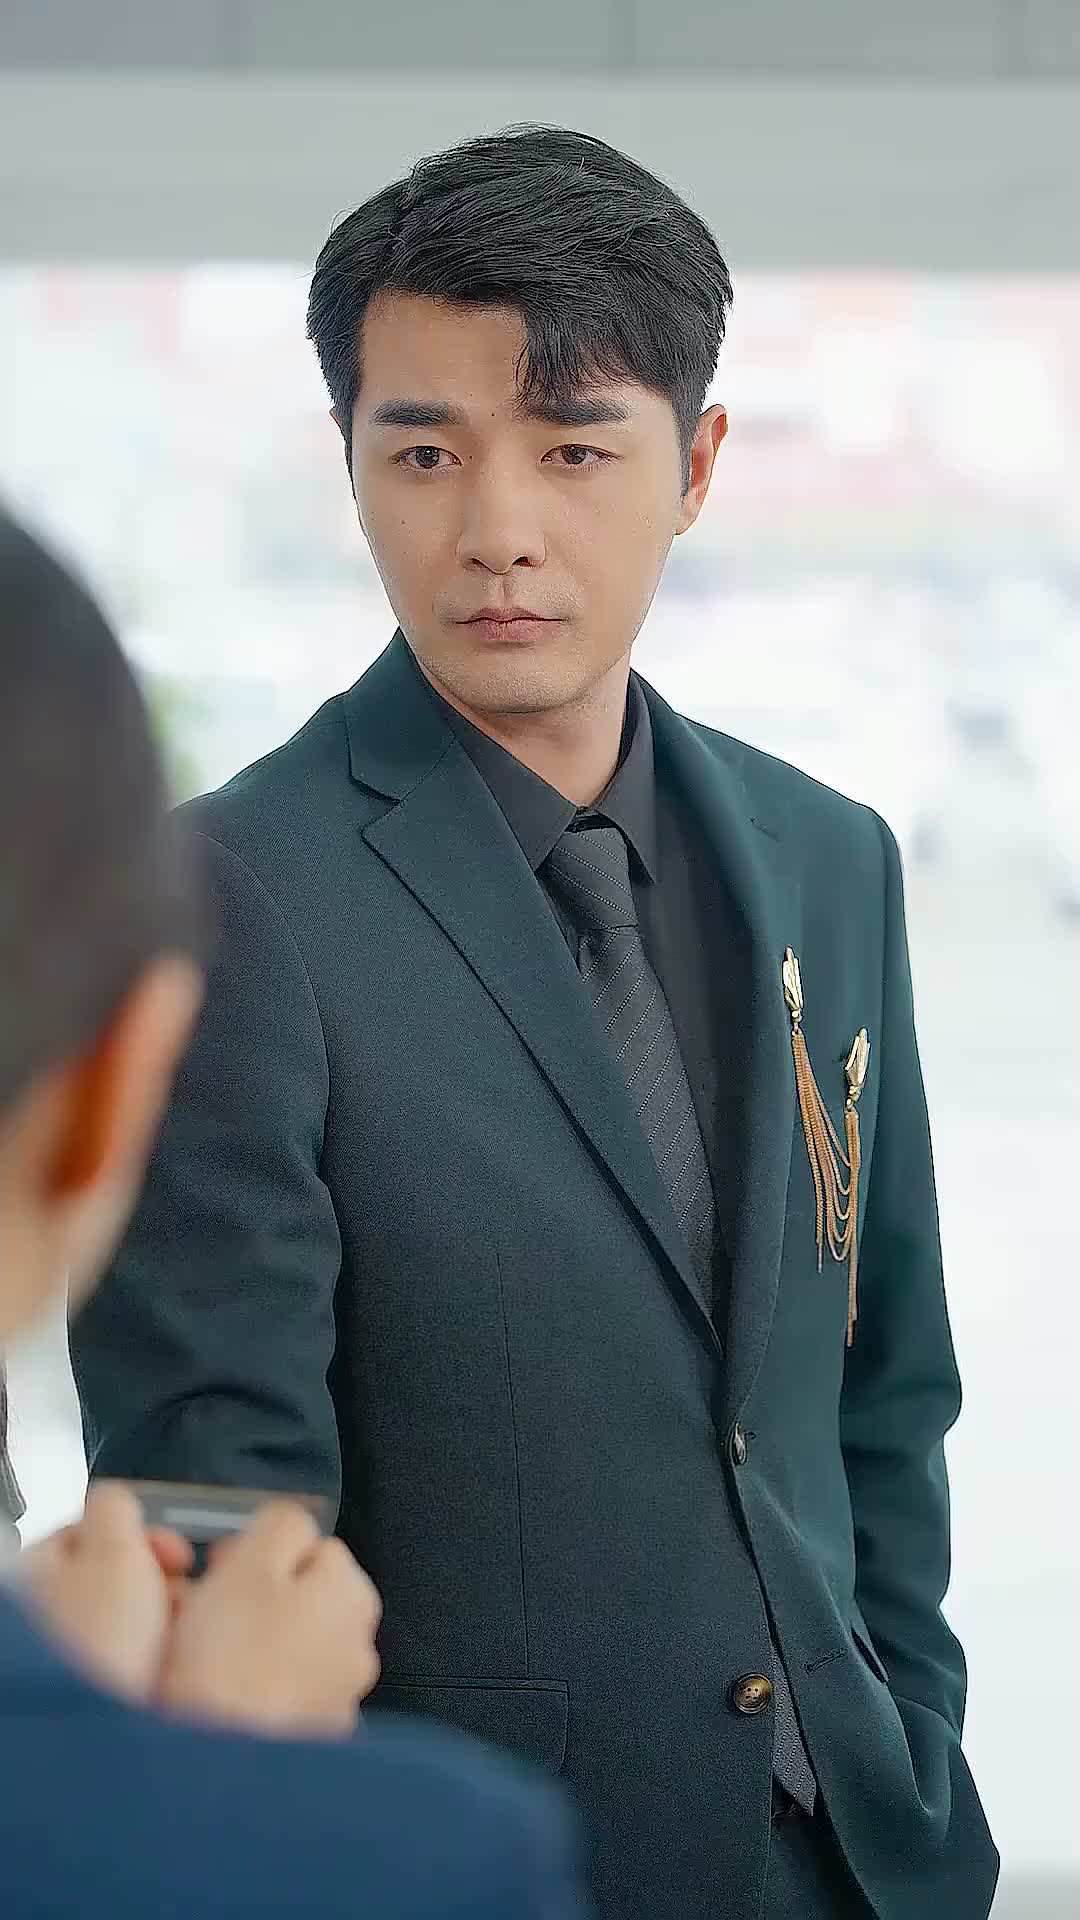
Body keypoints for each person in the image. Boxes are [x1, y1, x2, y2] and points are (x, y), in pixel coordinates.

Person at [72, 124, 1000, 1920]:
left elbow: (885, 1394)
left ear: (697, 465)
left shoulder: (830, 857)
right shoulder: (219, 901)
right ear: (350, 464)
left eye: (576, 449)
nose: (497, 531)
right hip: (476, 1872)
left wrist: (915, 1744)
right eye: (423, 453)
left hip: (856, 1859)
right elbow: (217, 1526)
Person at [0, 508, 588, 1918]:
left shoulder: (826, 851)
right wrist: (209, 1795)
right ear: (120, 1082)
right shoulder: (421, 1863)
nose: (502, 533)